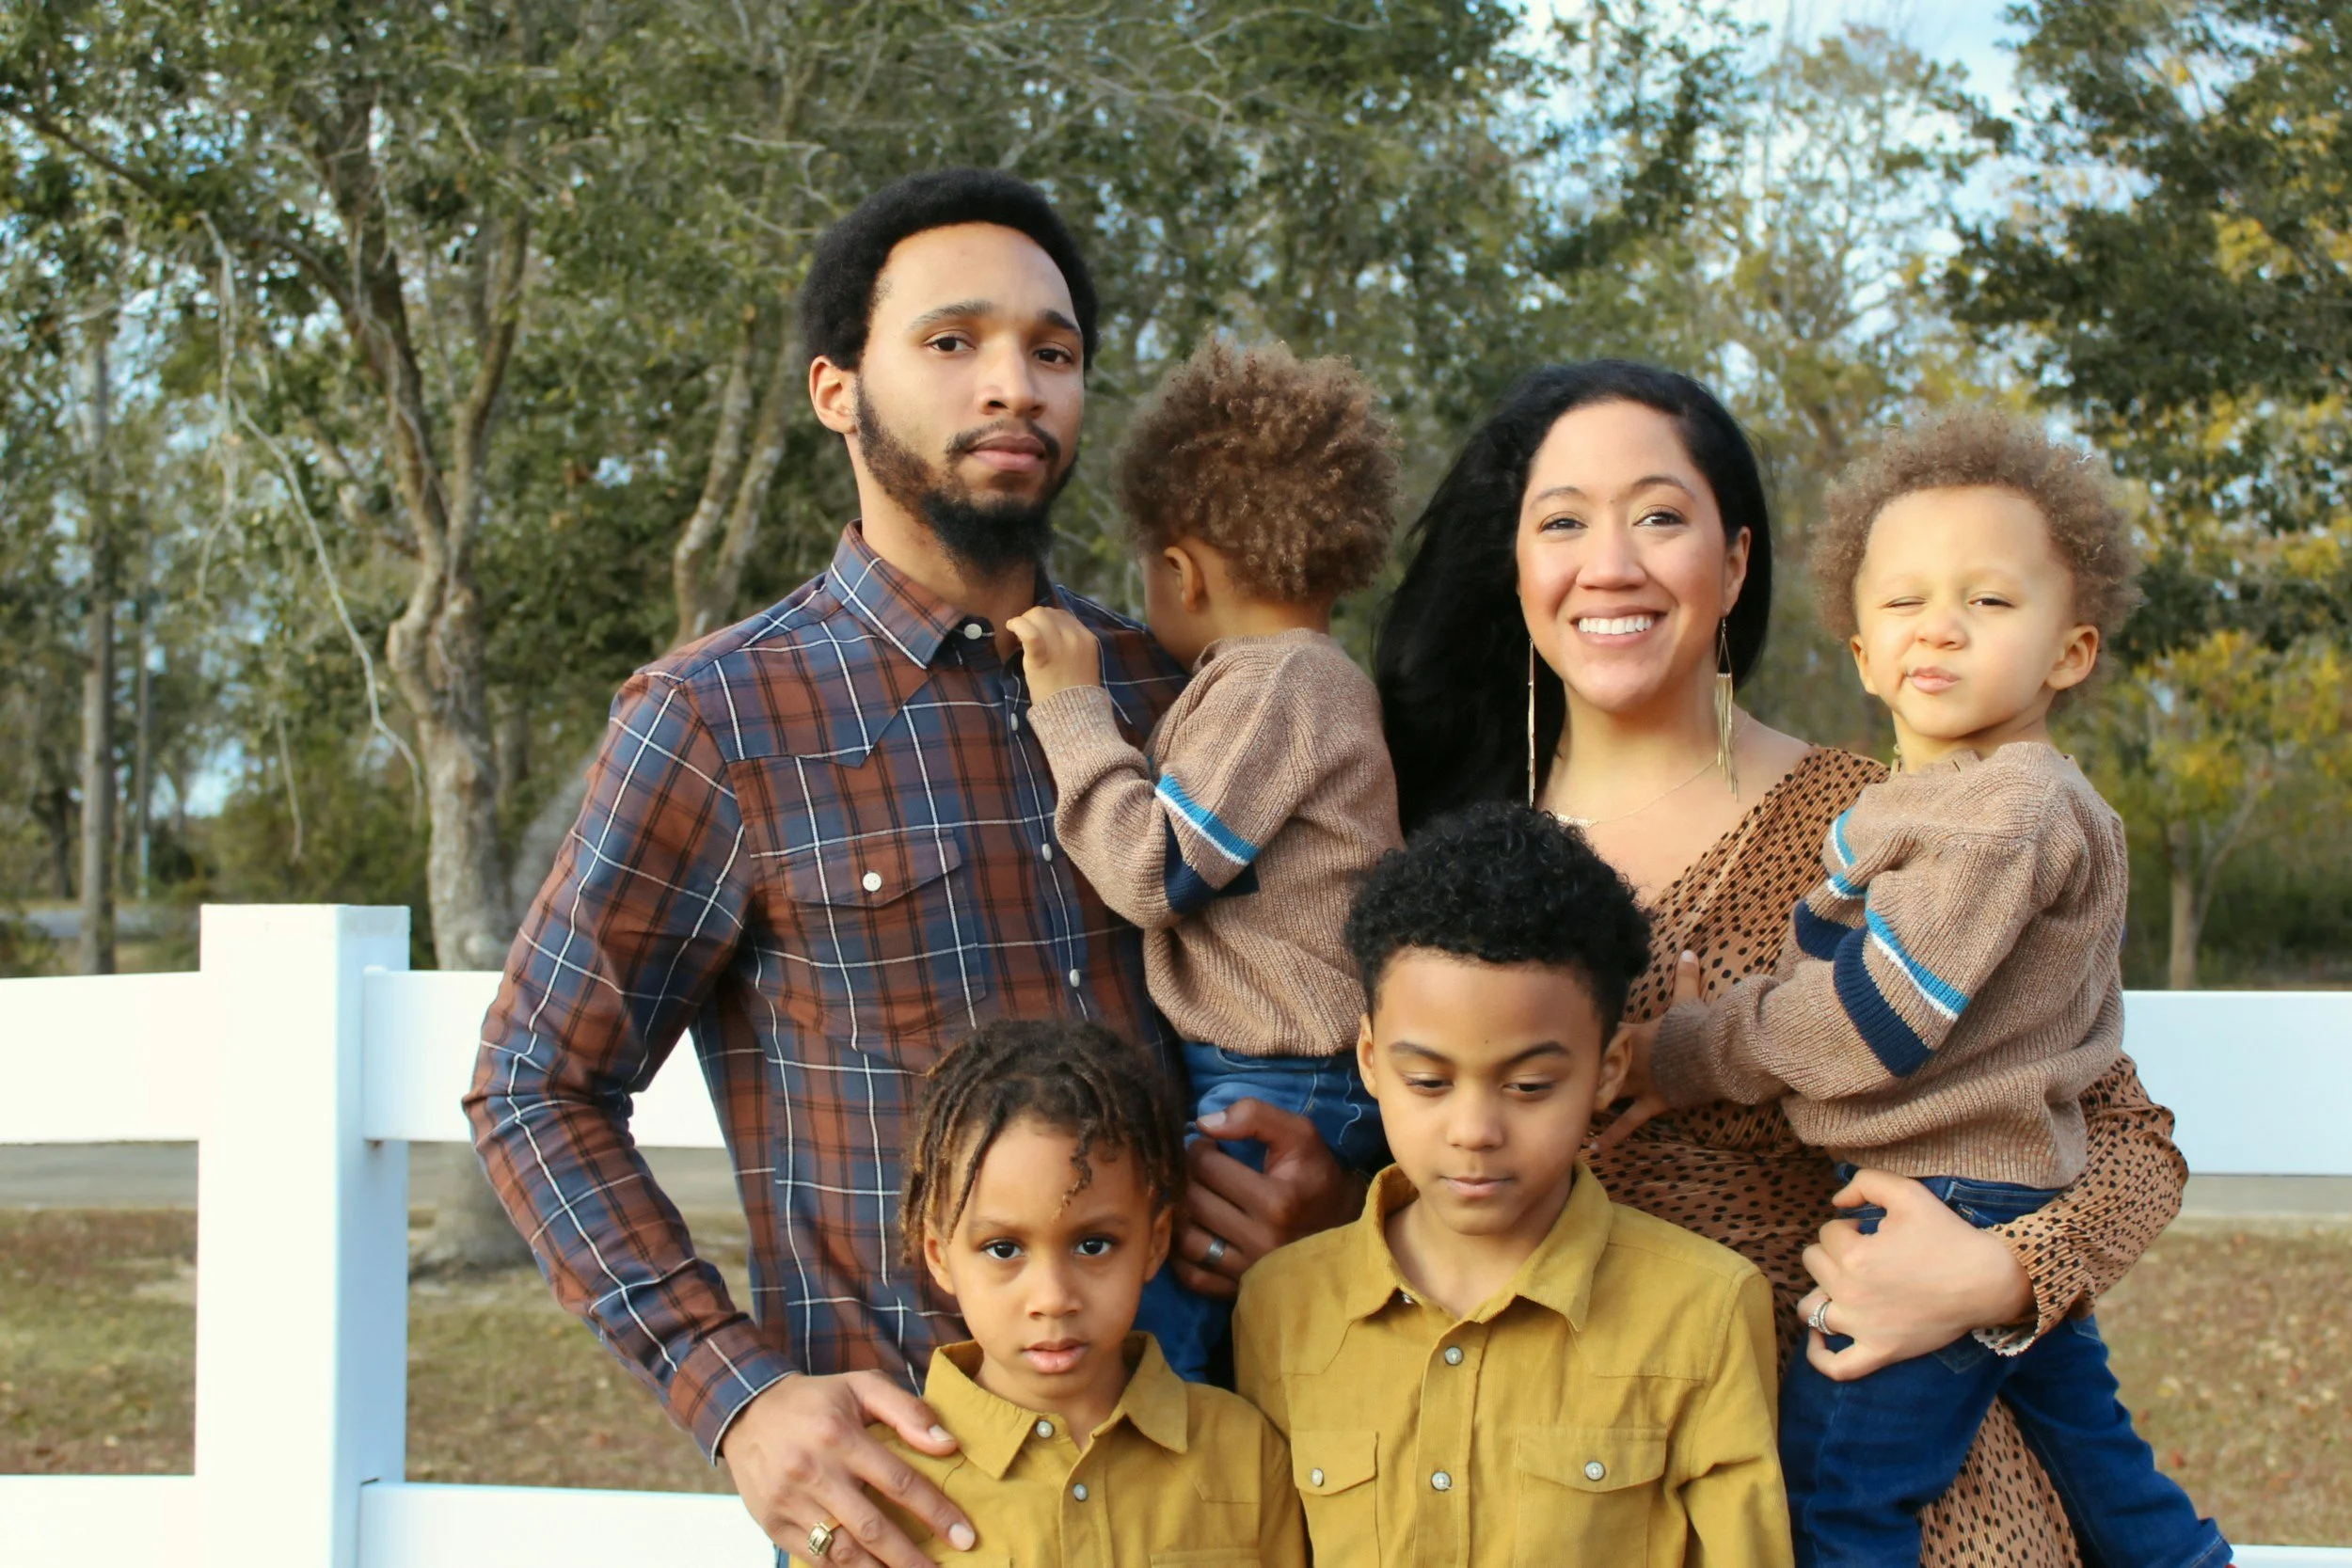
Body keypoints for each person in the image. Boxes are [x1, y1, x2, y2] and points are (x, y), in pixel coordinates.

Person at [464, 169, 1357, 1568]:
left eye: (1052, 351)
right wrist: (736, 1395)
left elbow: (1331, 987)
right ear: (837, 389)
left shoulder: (1184, 690)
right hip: (909, 1516)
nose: (1014, 383)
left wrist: (1340, 1184)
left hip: (1212, 1493)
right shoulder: (721, 717)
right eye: (954, 343)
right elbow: (536, 1083)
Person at [1374, 360, 2191, 1567]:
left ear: (1736, 562)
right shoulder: (1431, 843)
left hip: (1874, 1458)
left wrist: (1997, 1275)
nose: (1609, 562)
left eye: (1659, 515)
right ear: (1518, 568)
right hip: (1554, 1483)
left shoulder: (1898, 822)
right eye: (1562, 522)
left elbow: (2128, 1137)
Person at [1607, 410, 2228, 1567]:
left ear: (2069, 651)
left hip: (1941, 1202)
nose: (1938, 628)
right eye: (1903, 603)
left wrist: (1691, 1046)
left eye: (1987, 603)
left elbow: (1877, 1018)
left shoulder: (2006, 812)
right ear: (1856, 648)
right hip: (1993, 1181)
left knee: (1841, 1501)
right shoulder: (1921, 802)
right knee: (2117, 1485)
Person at [1232, 803, 1794, 1566]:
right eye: (1428, 1080)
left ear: (1608, 1072)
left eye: (1530, 1086)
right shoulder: (1280, 1305)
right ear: (1368, 1059)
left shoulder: (1706, 1308)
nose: (1474, 1129)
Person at [1006, 338, 1403, 1382]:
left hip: (1282, 1077)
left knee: (1164, 1348)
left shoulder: (1280, 684)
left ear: (1180, 568)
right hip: (1268, 1066)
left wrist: (1071, 707)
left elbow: (1154, 869)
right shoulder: (1301, 680)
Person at [799, 1016, 1307, 1565]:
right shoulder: (876, 1490)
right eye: (1003, 1249)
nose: (1052, 1298)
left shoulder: (1242, 1452)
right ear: (940, 1257)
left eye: (1093, 1246)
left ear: (1155, 1243)